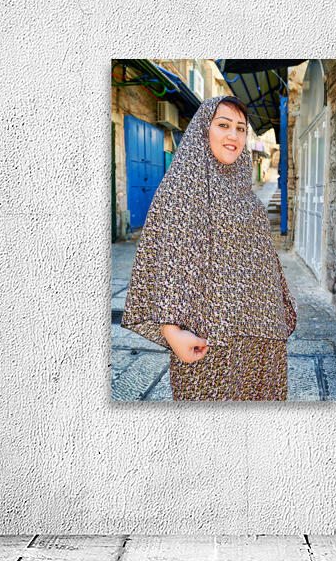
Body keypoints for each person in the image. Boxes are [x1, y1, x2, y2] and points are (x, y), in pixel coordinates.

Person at [120, 94, 297, 401]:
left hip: (262, 341)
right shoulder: (181, 188)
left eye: (241, 129)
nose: (234, 136)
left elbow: (266, 263)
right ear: (203, 130)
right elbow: (164, 262)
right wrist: (171, 332)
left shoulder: (246, 196)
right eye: (223, 125)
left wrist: (281, 313)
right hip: (209, 343)